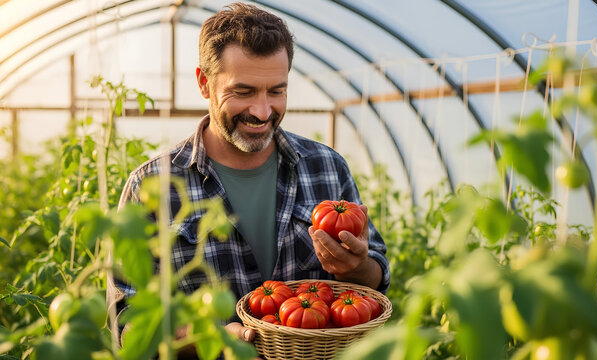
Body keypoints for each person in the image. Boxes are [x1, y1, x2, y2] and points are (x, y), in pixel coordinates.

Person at [108, 1, 390, 355]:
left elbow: (376, 278)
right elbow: (127, 322)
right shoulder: (152, 186)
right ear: (204, 83)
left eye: (277, 91)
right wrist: (211, 340)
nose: (262, 111)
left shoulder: (327, 167)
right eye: (243, 92)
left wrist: (358, 266)